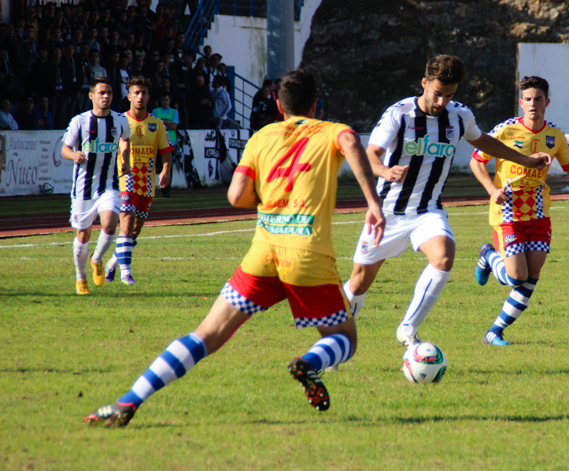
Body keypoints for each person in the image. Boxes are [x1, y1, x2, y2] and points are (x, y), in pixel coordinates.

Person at [84, 68, 385, 428]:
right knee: (344, 339)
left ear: (278, 104)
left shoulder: (261, 136)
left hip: (263, 253)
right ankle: (309, 363)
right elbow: (352, 143)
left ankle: (129, 399)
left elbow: (235, 195)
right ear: (316, 104)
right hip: (307, 256)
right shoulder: (332, 130)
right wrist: (373, 204)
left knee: (205, 335)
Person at [342, 55, 551, 348]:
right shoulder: (398, 114)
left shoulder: (459, 115)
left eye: (449, 95)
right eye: (437, 93)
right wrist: (386, 171)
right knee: (358, 283)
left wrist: (526, 160)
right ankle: (336, 341)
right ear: (425, 83)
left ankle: (407, 328)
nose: (442, 102)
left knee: (444, 256)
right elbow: (370, 154)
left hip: (428, 210)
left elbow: (483, 142)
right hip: (388, 211)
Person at [471, 75, 569, 346]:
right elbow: (477, 161)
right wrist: (491, 189)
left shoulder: (555, 135)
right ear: (521, 103)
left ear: (547, 102)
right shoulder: (505, 130)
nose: (534, 104)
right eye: (529, 99)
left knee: (532, 275)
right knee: (516, 276)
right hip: (508, 211)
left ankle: (494, 332)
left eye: (539, 99)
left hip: (539, 213)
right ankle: (488, 256)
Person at [61, 78, 132, 295]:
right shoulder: (79, 122)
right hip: (83, 189)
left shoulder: (120, 121)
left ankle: (97, 258)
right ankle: (80, 278)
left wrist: (126, 160)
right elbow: (64, 149)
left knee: (110, 223)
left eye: (109, 92)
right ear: (91, 95)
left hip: (108, 185)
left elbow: (125, 139)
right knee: (83, 235)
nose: (106, 96)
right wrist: (74, 154)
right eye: (101, 92)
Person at [100, 77, 172, 286]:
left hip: (147, 182)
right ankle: (127, 273)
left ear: (148, 97)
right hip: (125, 178)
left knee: (133, 231)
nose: (140, 96)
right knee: (127, 221)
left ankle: (112, 263)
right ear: (129, 96)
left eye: (143, 93)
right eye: (136, 92)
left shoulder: (157, 124)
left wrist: (165, 169)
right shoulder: (119, 121)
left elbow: (166, 152)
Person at [151, 92, 180, 198]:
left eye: (166, 100)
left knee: (168, 167)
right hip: (156, 142)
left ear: (170, 100)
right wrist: (166, 124)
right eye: (163, 100)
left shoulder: (174, 112)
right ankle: (151, 188)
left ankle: (166, 190)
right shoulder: (155, 111)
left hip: (170, 142)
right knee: (153, 166)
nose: (165, 102)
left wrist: (162, 124)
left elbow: (174, 126)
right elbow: (153, 126)